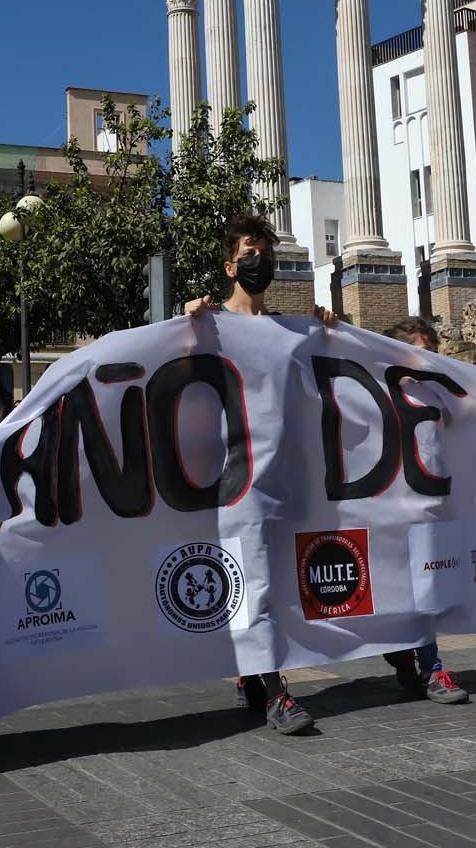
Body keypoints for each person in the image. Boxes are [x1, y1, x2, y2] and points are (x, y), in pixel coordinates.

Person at [185, 213, 337, 734]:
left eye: (265, 251)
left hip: (288, 478)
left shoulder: (293, 332)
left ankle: (253, 675)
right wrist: (186, 324)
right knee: (255, 581)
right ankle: (277, 692)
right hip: (237, 479)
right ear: (230, 265)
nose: (259, 260)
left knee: (279, 583)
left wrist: (331, 335)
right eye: (249, 251)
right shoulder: (208, 326)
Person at [378, 315, 476, 705]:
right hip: (386, 505)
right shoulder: (374, 389)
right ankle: (403, 652)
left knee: (426, 590)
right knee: (397, 591)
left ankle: (429, 666)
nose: (429, 361)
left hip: (429, 503)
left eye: (434, 353)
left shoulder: (437, 391)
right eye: (421, 352)